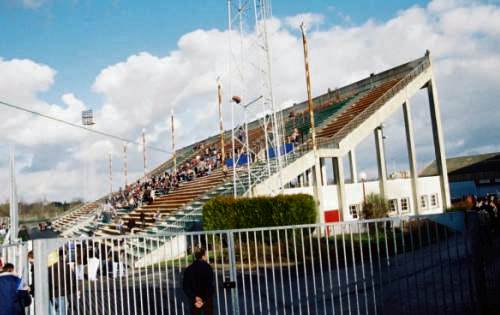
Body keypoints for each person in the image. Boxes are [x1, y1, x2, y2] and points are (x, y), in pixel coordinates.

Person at [183, 247, 215, 315]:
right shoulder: (208, 268)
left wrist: (195, 298)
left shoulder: (189, 269)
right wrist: (203, 299)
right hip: (207, 299)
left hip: (195, 300)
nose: (206, 256)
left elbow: (186, 287)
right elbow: (210, 285)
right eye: (206, 254)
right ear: (203, 256)